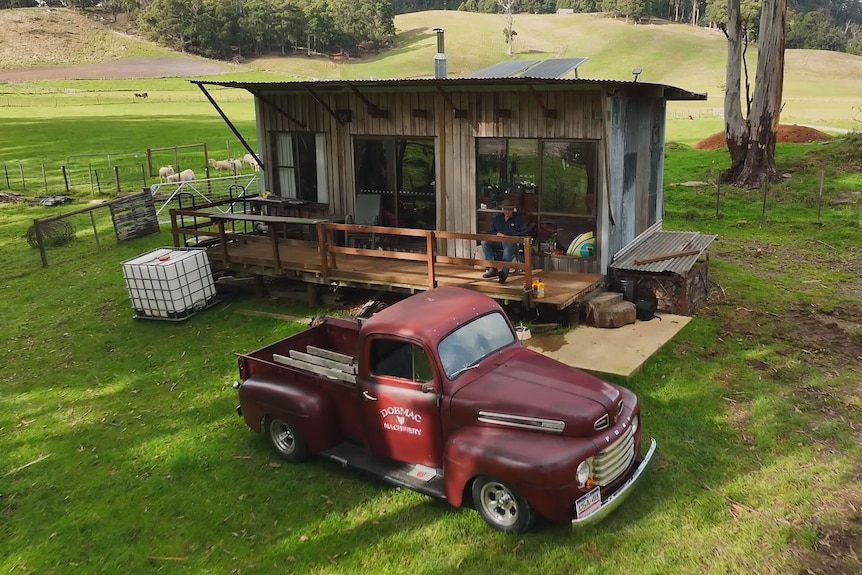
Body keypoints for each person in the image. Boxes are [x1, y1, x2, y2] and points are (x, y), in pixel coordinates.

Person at [481, 204, 529, 285]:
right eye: (506, 209)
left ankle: (504, 273)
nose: (507, 211)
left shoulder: (519, 219)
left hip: (512, 242)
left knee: (507, 246)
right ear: (502, 209)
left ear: (513, 209)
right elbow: (490, 231)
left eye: (509, 210)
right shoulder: (497, 219)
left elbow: (525, 233)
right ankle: (493, 267)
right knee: (484, 242)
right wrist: (497, 233)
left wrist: (510, 236)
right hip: (498, 241)